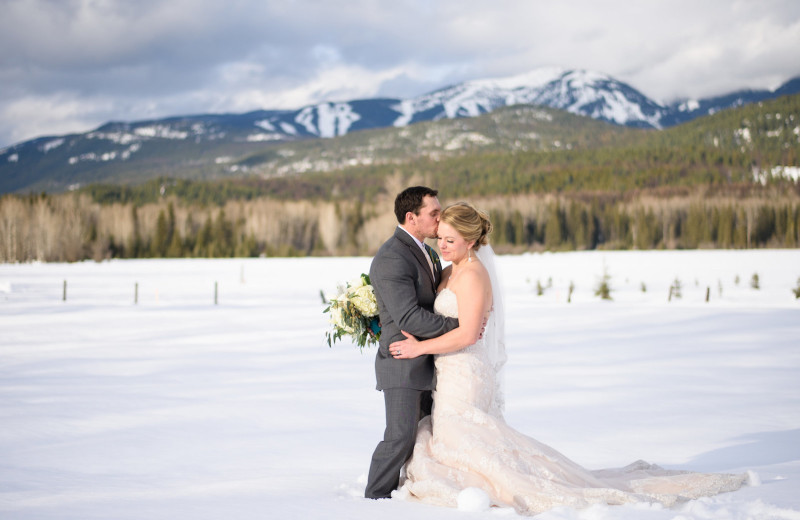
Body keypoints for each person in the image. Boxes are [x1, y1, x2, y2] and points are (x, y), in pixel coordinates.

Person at [388, 201, 749, 515]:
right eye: (440, 239)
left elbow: (467, 333)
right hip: (451, 369)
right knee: (460, 433)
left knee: (462, 434)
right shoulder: (451, 271)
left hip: (466, 369)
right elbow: (443, 317)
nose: (443, 245)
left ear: (470, 241)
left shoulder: (473, 275)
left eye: (451, 240)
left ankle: (523, 486)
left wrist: (420, 347)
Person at [364, 186, 459, 499]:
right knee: (401, 438)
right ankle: (375, 497)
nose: (439, 218)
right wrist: (459, 326)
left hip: (429, 359)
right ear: (411, 217)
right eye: (433, 213)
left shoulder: (426, 252)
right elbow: (410, 318)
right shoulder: (392, 257)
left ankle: (413, 491)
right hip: (402, 362)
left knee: (426, 436)